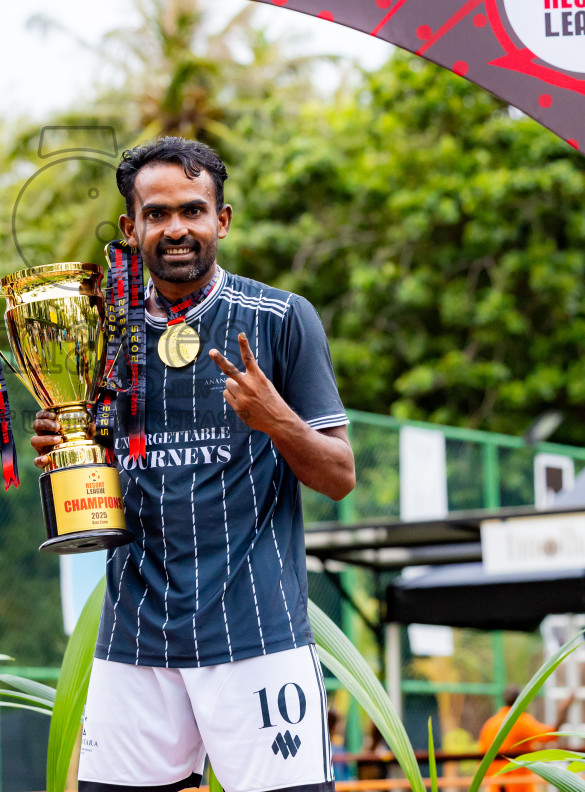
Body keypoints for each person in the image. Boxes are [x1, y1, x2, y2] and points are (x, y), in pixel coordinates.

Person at [32, 137, 356, 792]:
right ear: (131, 228)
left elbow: (340, 477)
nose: (175, 228)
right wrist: (67, 454)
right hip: (136, 642)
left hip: (258, 638)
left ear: (222, 220)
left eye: (192, 210)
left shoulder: (283, 319)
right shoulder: (98, 338)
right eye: (156, 214)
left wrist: (276, 421)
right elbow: (98, 496)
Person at [477, 686, 576, 792]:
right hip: (517, 785)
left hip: (495, 785)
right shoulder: (520, 721)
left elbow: (482, 755)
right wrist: (564, 708)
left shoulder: (490, 724)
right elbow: (551, 735)